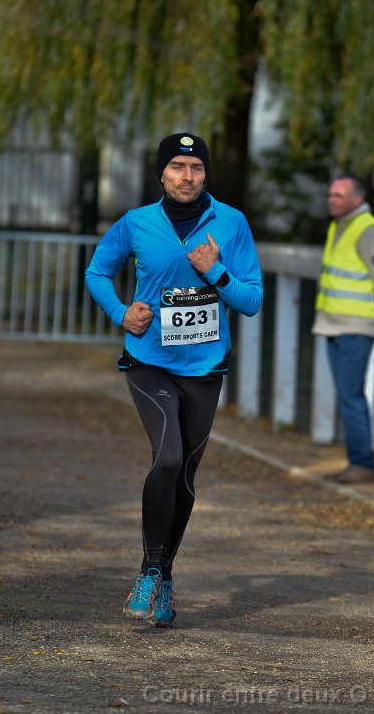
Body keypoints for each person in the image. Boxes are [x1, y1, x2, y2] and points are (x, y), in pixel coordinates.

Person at [85, 132, 263, 627]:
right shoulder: (136, 222)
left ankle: (164, 575)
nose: (188, 176)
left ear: (206, 173)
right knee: (166, 458)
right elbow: (97, 272)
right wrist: (121, 312)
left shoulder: (231, 222)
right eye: (178, 167)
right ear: (162, 173)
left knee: (184, 475)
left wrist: (216, 272)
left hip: (205, 368)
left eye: (197, 167)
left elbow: (251, 300)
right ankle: (148, 572)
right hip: (150, 360)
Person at [312, 173, 374, 484]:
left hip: (356, 325)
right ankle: (358, 461)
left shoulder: (368, 230)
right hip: (334, 323)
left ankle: (362, 464)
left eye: (338, 195)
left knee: (351, 396)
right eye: (330, 195)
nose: (331, 200)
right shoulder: (340, 225)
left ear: (357, 199)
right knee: (347, 394)